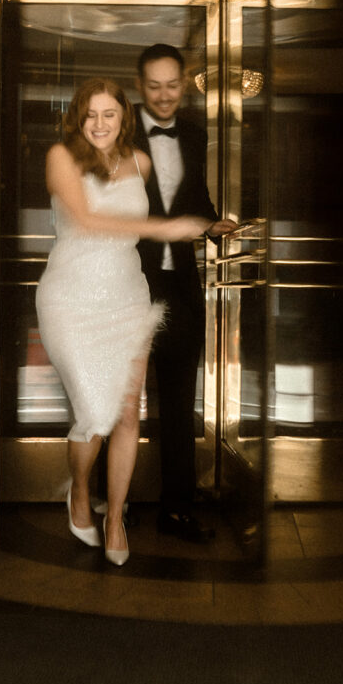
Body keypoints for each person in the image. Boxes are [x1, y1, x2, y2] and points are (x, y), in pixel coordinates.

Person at [35, 77, 209, 566]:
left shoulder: (141, 161)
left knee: (128, 410)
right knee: (95, 410)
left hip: (127, 295)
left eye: (109, 114)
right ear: (77, 118)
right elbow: (88, 221)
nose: (99, 124)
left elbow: (184, 198)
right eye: (90, 114)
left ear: (123, 118)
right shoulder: (60, 157)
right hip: (70, 297)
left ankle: (114, 517)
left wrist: (206, 223)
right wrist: (165, 229)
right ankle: (80, 490)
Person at [134, 44, 238, 543]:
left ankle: (176, 508)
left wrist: (215, 224)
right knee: (118, 398)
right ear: (140, 86)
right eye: (154, 85)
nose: (164, 95)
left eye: (172, 84)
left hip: (181, 285)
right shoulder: (116, 128)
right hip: (129, 282)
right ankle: (115, 502)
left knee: (178, 401)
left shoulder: (195, 134)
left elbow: (193, 196)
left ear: (184, 81)